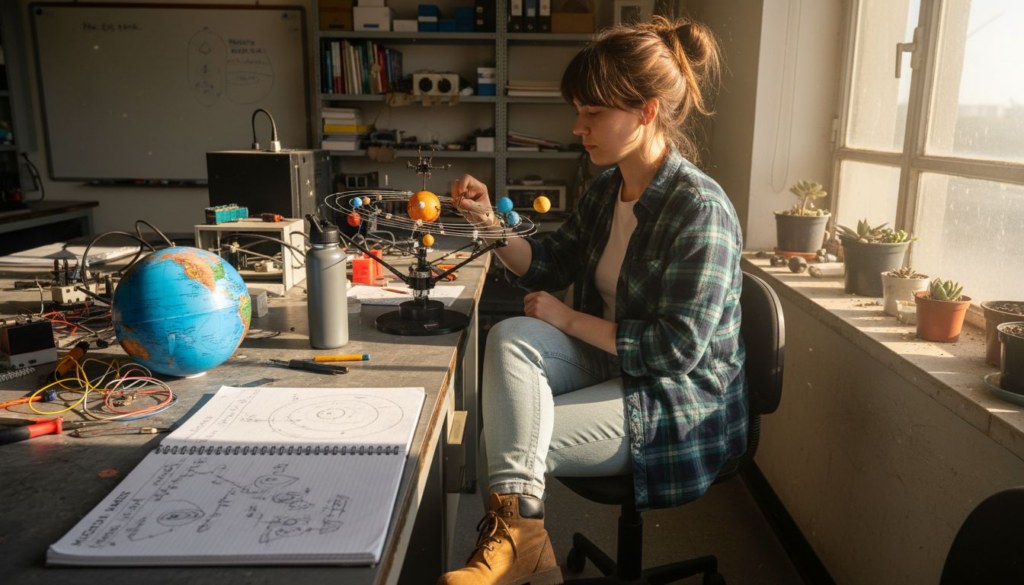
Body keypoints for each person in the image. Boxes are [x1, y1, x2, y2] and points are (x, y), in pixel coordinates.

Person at [438, 15, 748, 585]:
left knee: (508, 440)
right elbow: (552, 262)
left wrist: (568, 316)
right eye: (579, 111)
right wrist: (486, 222)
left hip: (677, 399)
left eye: (594, 113)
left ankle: (521, 552)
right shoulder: (609, 187)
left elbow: (674, 350)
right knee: (509, 337)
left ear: (647, 110)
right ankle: (529, 551)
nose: (578, 127)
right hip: (612, 357)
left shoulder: (700, 209)